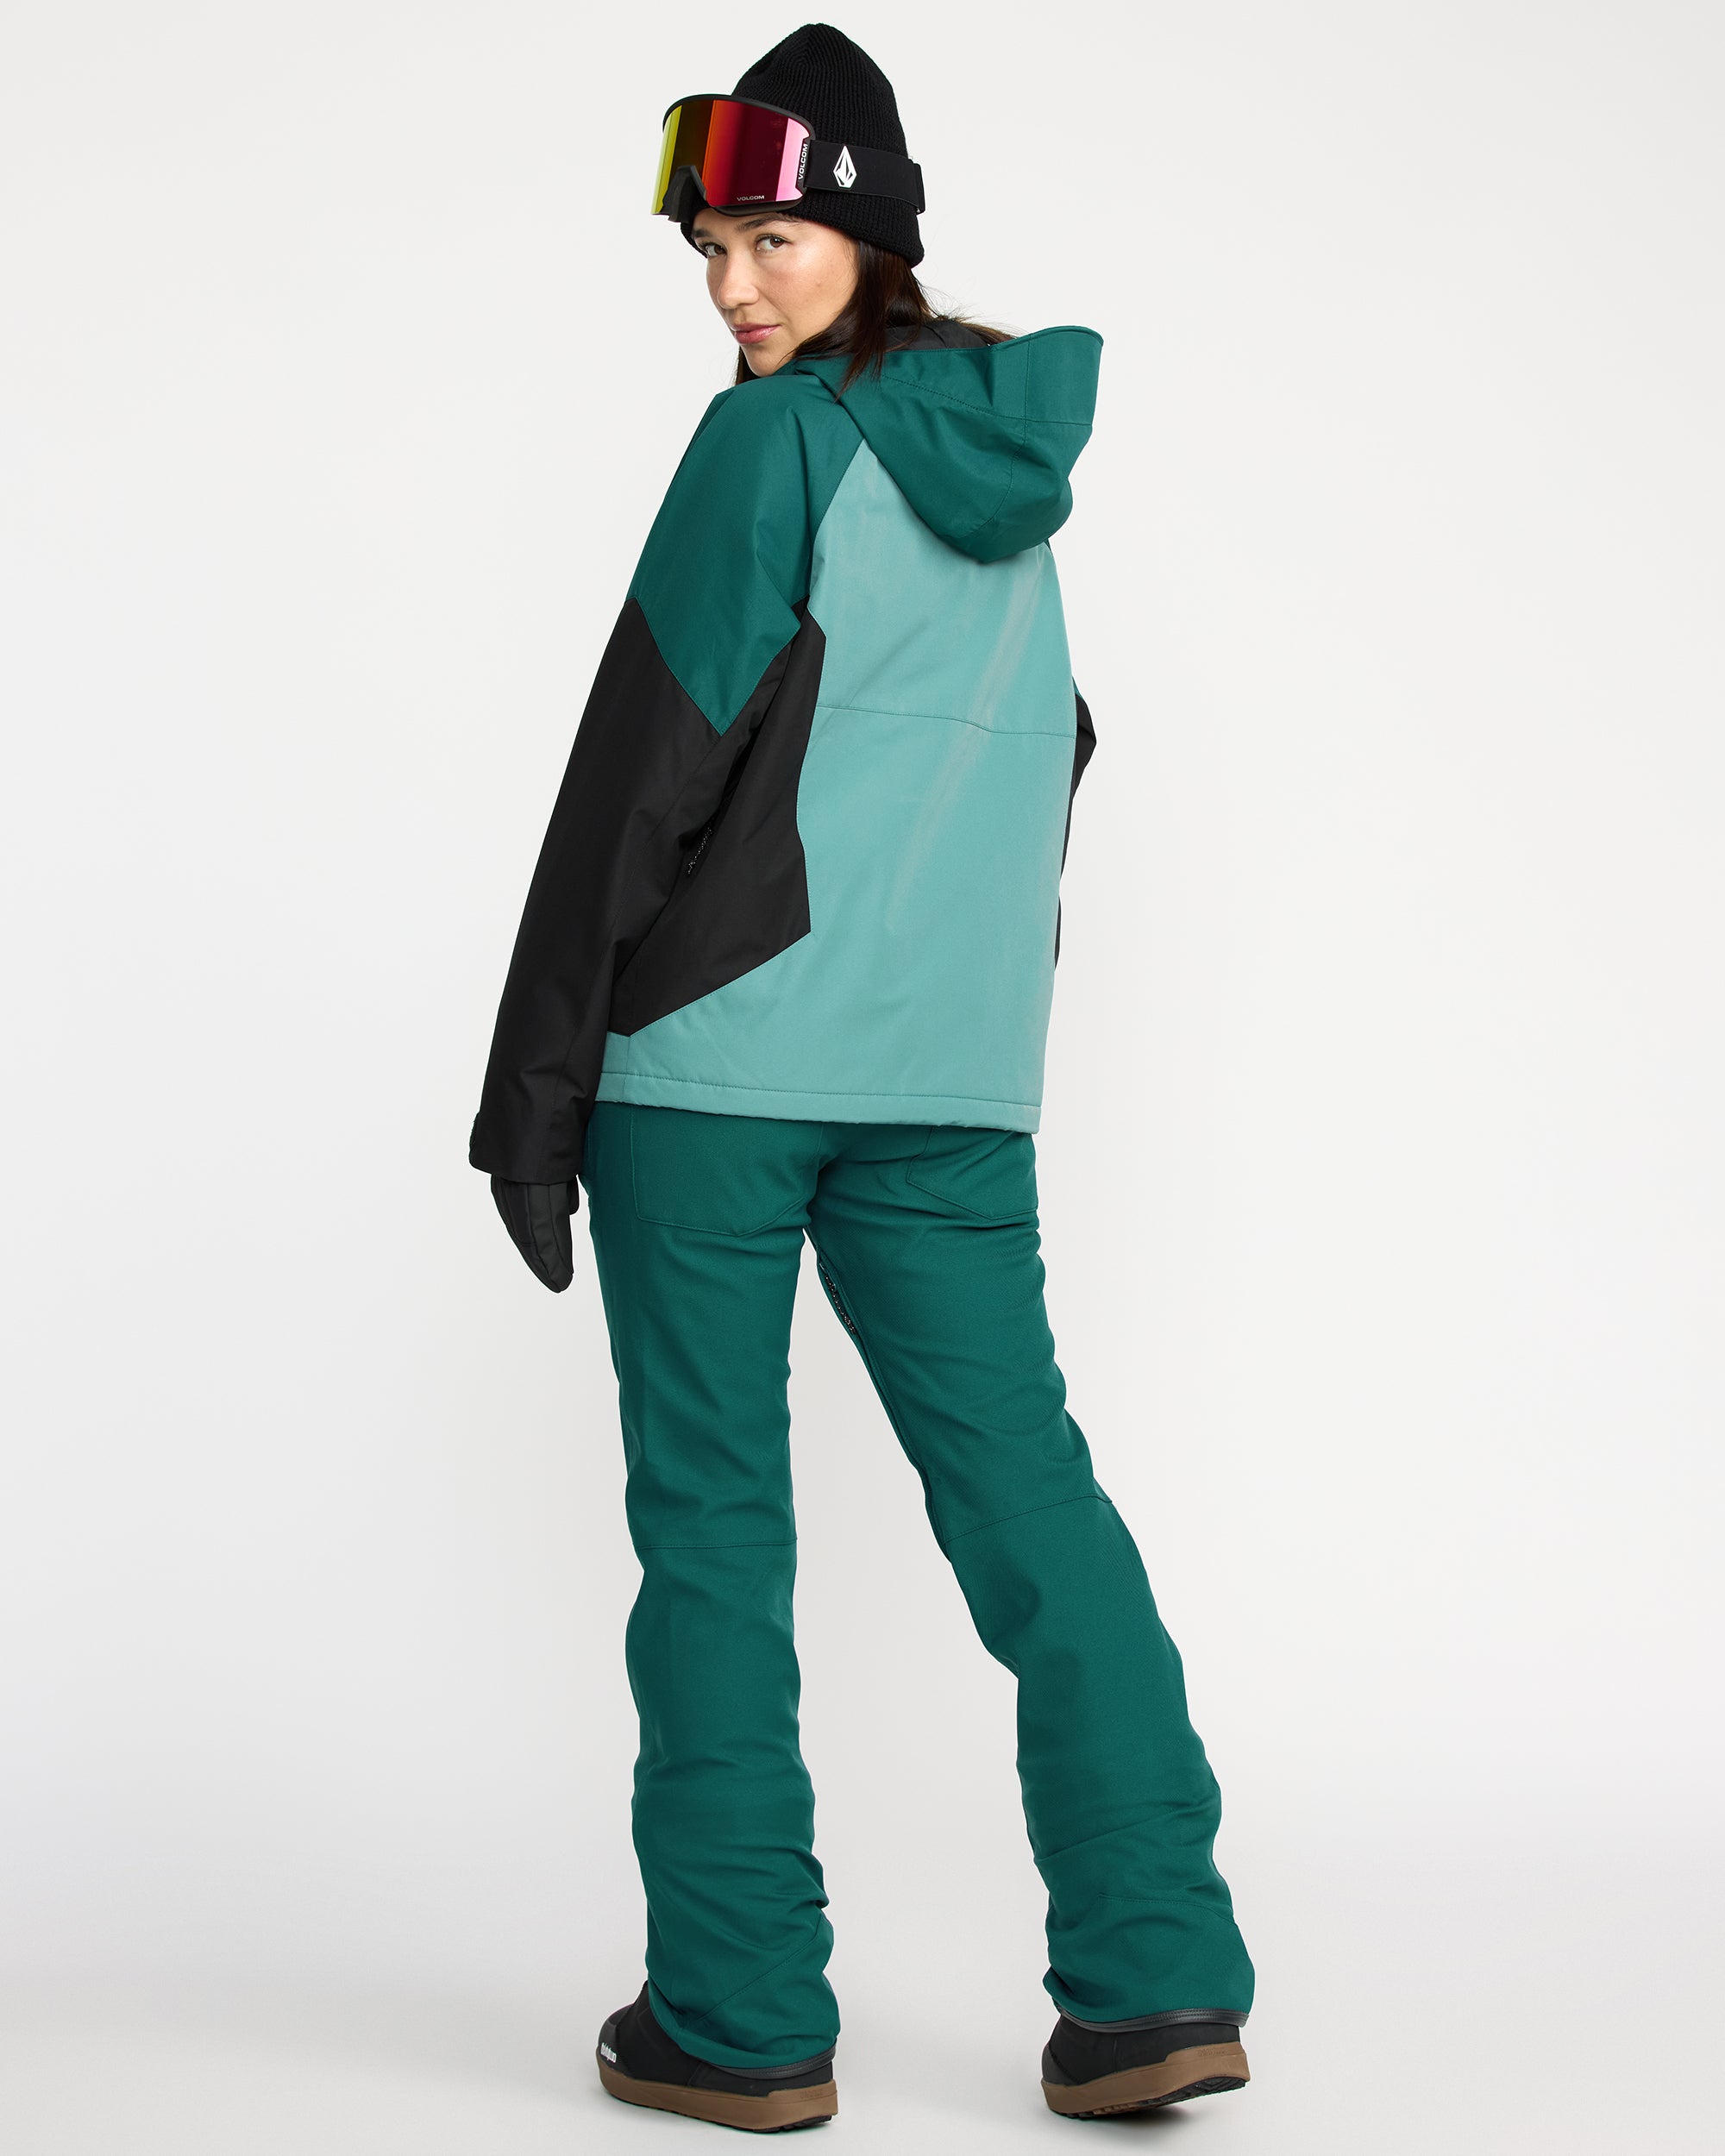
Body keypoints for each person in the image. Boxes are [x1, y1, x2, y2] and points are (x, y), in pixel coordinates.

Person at [471, 22, 1254, 2133]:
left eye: (773, 240)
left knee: (715, 1532)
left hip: (715, 1077)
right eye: (710, 250)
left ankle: (739, 2017)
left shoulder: (776, 446)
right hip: (951, 1086)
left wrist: (533, 1086)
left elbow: (642, 767)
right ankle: (1156, 1976)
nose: (734, 287)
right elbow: (1041, 766)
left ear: (870, 234)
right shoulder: (1013, 489)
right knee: (1032, 1504)